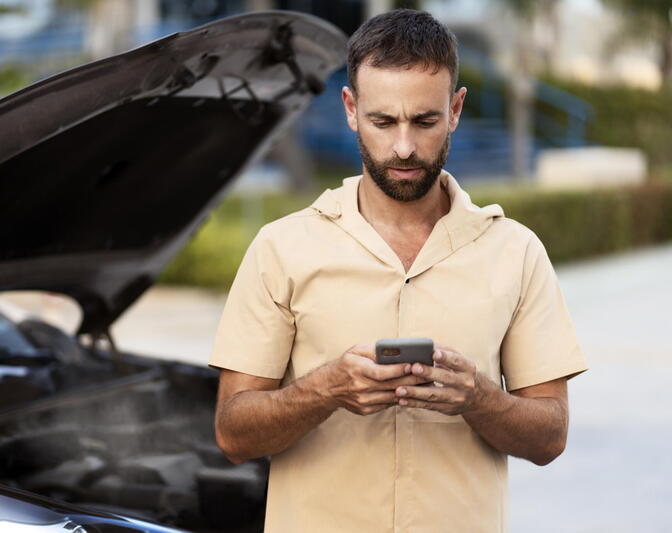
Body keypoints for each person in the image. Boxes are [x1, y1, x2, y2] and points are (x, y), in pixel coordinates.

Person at [209, 9, 588, 533]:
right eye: (383, 121)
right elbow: (233, 434)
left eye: (425, 121)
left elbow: (551, 437)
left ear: (455, 110)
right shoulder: (281, 248)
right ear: (350, 108)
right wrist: (326, 389)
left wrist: (477, 397)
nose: (404, 147)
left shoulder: (516, 252)